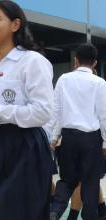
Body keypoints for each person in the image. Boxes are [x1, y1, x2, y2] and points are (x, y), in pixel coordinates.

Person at [0, 1, 54, 219]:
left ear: (15, 24)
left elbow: (42, 111)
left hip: (23, 147)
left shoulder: (32, 61)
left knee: (15, 212)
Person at [50, 43, 106, 220]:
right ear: (95, 63)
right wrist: (105, 142)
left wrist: (54, 136)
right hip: (92, 139)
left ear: (75, 60)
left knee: (66, 180)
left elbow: (56, 110)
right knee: (90, 182)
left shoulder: (63, 79)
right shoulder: (100, 83)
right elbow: (103, 115)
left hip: (68, 137)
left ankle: (55, 211)